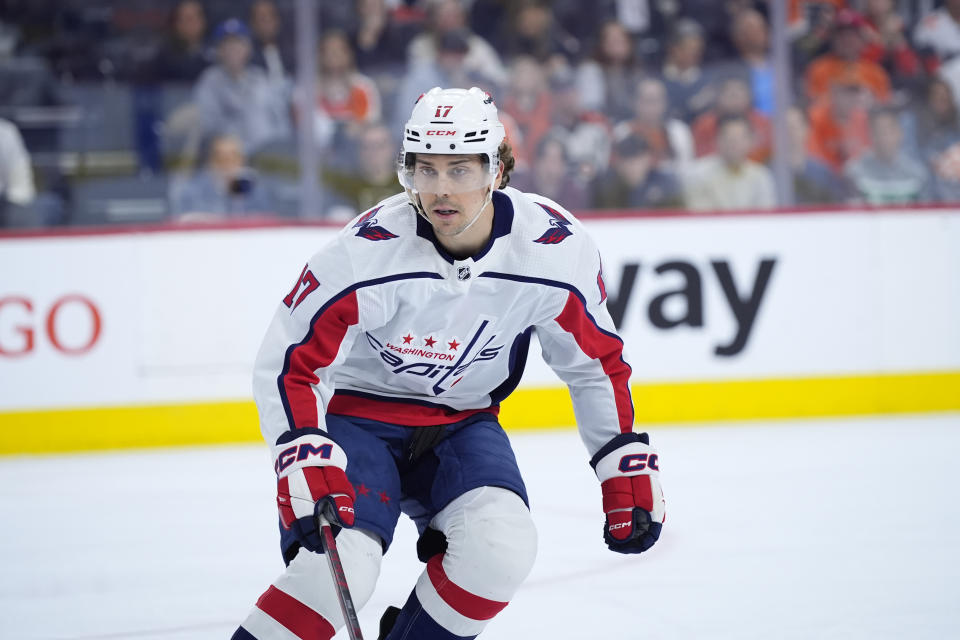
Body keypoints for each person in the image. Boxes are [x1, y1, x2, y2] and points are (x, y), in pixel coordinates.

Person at [231, 87, 665, 640]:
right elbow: (292, 363)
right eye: (425, 169)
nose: (440, 189)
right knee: (339, 568)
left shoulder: (553, 250)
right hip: (354, 419)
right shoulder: (365, 253)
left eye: (460, 170)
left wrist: (619, 459)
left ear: (499, 170)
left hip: (461, 423)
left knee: (501, 546)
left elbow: (595, 363)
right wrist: (302, 452)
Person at [193, 18, 291, 154]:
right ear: (219, 50)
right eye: (227, 44)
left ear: (248, 48)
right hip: (229, 157)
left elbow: (279, 119)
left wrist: (280, 147)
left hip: (268, 156)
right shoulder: (209, 81)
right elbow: (208, 125)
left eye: (239, 43)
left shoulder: (261, 78)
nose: (234, 49)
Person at [684, 113, 777, 211]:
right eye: (729, 138)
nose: (734, 144)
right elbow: (699, 215)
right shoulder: (698, 174)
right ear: (717, 139)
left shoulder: (761, 175)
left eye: (740, 138)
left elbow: (766, 216)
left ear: (751, 141)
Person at [168, 132, 272, 219]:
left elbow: (263, 221)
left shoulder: (254, 189)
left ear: (242, 160)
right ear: (210, 160)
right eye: (220, 158)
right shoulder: (192, 190)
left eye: (233, 157)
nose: (227, 163)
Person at [844, 107, 931, 204]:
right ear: (870, 134)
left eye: (889, 130)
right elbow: (852, 213)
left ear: (900, 133)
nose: (884, 136)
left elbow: (925, 212)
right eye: (879, 131)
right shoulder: (854, 172)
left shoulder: (918, 173)